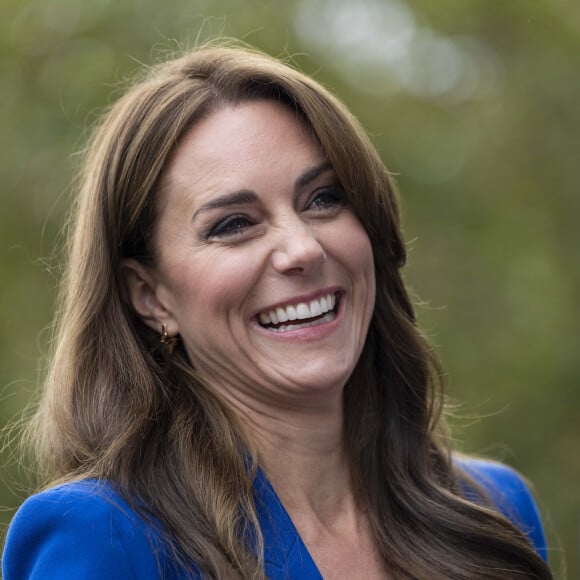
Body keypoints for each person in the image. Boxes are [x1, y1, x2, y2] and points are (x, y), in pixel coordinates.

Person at [2, 43, 552, 579]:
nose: (304, 249)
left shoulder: (493, 511)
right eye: (234, 224)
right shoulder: (104, 539)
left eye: (324, 198)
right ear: (149, 295)